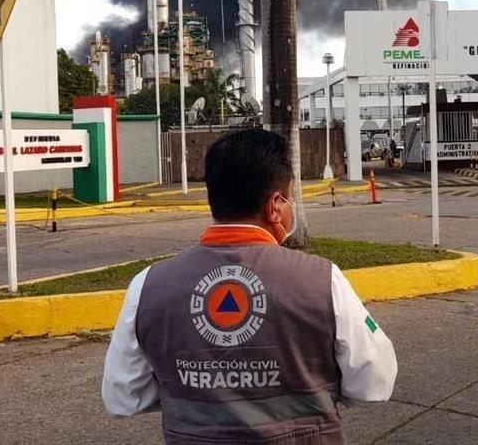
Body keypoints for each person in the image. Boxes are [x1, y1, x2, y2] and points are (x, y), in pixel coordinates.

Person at [102, 129, 398, 443]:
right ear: (274, 206)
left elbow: (123, 398)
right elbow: (373, 382)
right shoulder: (324, 280)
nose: (290, 207)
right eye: (289, 198)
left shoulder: (147, 286)